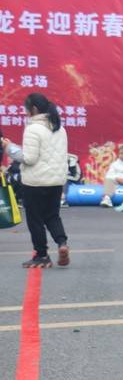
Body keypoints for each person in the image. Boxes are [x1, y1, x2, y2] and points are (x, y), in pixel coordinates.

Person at [1, 93, 70, 269]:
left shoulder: (33, 129)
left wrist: (9, 148)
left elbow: (29, 158)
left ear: (33, 109)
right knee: (52, 216)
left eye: (26, 109)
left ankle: (42, 255)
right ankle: (62, 243)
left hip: (35, 181)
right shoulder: (59, 128)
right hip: (56, 180)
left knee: (35, 219)